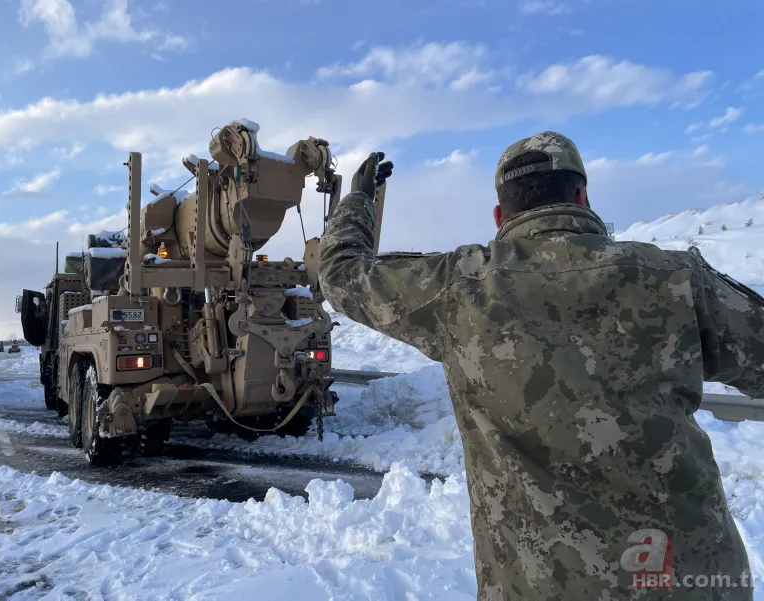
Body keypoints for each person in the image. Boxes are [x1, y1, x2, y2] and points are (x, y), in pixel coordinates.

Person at [317, 132, 763, 600]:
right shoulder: (677, 277)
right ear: (582, 196)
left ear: (500, 216)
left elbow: (343, 275)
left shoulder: (459, 287)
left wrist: (359, 200)